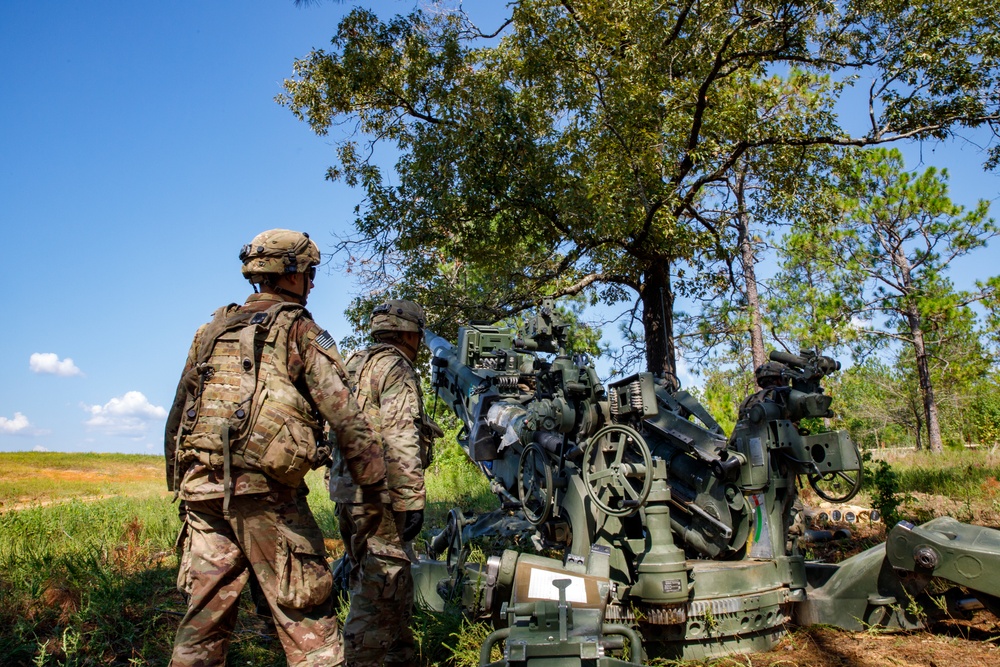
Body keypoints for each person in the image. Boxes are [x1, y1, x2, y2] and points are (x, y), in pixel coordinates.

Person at [164, 229, 387, 667]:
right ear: (293, 273)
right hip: (267, 498)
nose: (312, 282)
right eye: (310, 273)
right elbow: (345, 417)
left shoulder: (210, 330)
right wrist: (375, 486)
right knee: (307, 620)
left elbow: (178, 413)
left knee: (203, 624)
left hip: (202, 493)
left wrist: (180, 484)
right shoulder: (300, 329)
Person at [329, 299, 441, 667]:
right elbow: (400, 436)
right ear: (408, 333)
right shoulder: (396, 367)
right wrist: (411, 500)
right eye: (419, 334)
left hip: (349, 493)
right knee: (380, 590)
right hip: (381, 498)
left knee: (395, 585)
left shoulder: (353, 364)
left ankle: (400, 658)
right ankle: (359, 658)